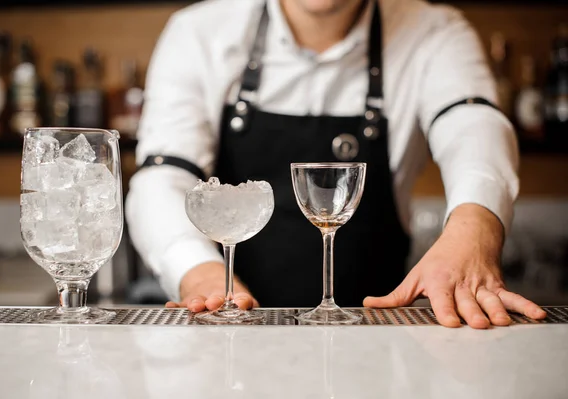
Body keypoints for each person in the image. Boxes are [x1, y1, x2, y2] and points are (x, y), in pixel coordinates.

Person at [126, 0, 547, 329]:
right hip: (230, 338)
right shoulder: (199, 32)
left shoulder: (436, 32)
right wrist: (197, 272)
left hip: (379, 340)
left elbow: (473, 125)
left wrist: (475, 229)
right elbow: (162, 175)